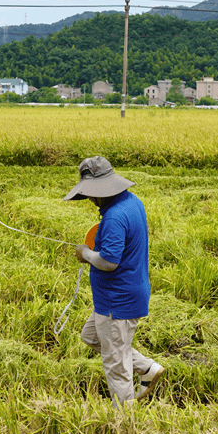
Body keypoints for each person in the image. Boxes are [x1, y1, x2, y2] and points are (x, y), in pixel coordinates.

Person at [64, 156, 164, 407]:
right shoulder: (132, 202)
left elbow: (109, 261)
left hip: (117, 301)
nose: (88, 199)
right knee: (91, 335)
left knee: (115, 364)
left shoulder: (114, 217)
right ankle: (147, 368)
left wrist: (85, 254)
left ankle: (124, 420)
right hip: (121, 295)